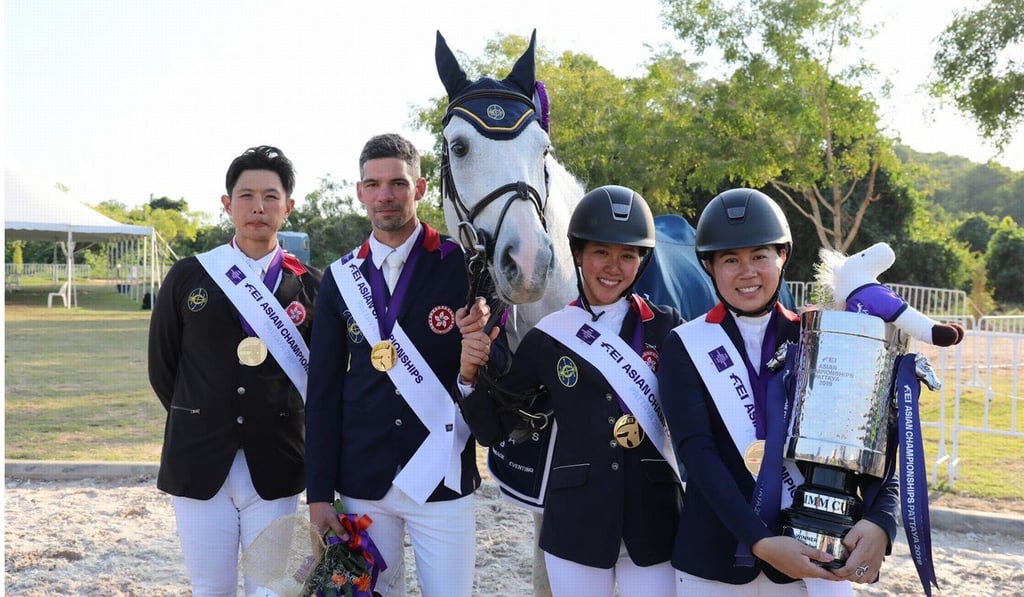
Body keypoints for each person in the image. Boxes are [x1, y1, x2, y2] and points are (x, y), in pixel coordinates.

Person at [657, 188, 900, 596]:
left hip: (814, 558)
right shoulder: (684, 344)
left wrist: (882, 522)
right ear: (709, 266)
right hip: (713, 561)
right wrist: (760, 540)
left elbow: (881, 442)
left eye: (759, 256)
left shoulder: (824, 337)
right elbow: (697, 453)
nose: (747, 272)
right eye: (730, 260)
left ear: (782, 256)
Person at [457, 185, 684, 597]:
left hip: (655, 521)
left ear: (642, 260)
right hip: (577, 523)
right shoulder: (549, 337)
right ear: (577, 254)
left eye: (628, 255)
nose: (613, 267)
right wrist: (469, 376)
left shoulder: (667, 326)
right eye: (600, 252)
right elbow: (493, 429)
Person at [305, 133, 479, 596]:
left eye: (398, 183)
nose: (386, 195)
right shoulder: (339, 277)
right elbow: (322, 392)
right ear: (360, 192)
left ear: (419, 188)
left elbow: (489, 368)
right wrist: (318, 493)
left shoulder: (462, 267)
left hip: (442, 474)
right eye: (374, 184)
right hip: (363, 480)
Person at [148, 145, 321, 596]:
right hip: (199, 459)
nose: (258, 207)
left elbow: (322, 379)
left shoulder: (312, 285)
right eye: (246, 196)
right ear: (227, 204)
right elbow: (163, 368)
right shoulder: (188, 276)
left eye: (270, 196)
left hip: (278, 461)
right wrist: (204, 414)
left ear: (288, 206)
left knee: (272, 589)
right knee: (210, 588)